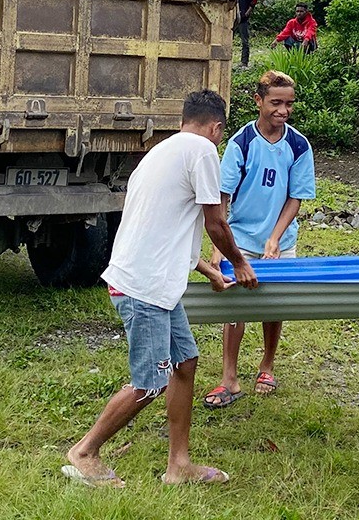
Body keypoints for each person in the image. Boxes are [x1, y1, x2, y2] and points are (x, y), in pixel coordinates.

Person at [64, 90, 259, 487]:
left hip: (151, 282)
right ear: (216, 127)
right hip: (144, 288)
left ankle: (179, 465)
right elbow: (215, 223)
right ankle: (84, 452)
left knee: (184, 364)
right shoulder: (203, 151)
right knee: (150, 381)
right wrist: (239, 263)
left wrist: (207, 271)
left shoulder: (160, 152)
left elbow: (168, 227)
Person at [202, 70, 315, 408]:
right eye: (276, 103)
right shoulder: (241, 142)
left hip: (279, 240)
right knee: (235, 307)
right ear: (259, 101)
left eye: (289, 104)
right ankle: (229, 377)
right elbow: (222, 197)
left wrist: (276, 238)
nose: (283, 111)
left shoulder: (298, 145)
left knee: (274, 304)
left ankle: (267, 364)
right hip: (241, 238)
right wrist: (218, 247)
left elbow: (296, 197)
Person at [233, 0, 257, 67]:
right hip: (232, 16)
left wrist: (247, 12)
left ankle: (244, 62)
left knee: (244, 40)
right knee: (227, 38)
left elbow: (254, 0)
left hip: (243, 17)